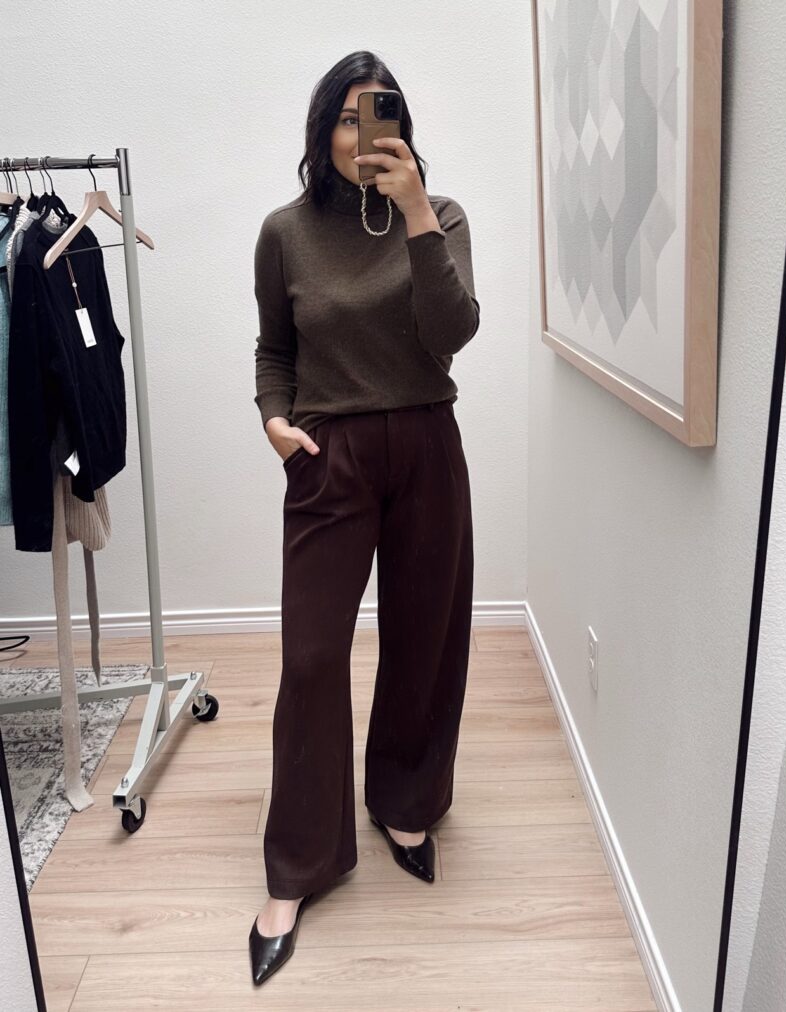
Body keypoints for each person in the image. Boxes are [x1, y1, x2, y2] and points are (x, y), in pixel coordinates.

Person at [248, 50, 480, 986]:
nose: (362, 135)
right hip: (328, 454)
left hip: (426, 443)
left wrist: (417, 212)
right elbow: (274, 348)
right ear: (323, 130)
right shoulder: (285, 232)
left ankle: (405, 803)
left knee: (425, 637)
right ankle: (298, 863)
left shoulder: (442, 215)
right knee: (311, 660)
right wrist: (274, 420)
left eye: (378, 115)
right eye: (346, 118)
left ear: (402, 127)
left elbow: (452, 332)